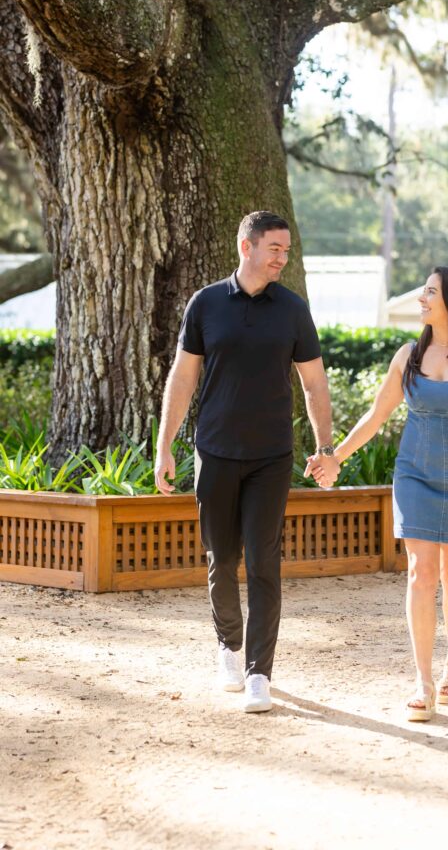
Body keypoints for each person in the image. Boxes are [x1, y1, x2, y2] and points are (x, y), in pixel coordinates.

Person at [155, 210, 339, 713]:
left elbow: (314, 383)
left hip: (271, 457)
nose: (282, 258)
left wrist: (325, 448)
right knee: (220, 561)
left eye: (286, 250)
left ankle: (260, 670)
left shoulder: (293, 309)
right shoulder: (206, 304)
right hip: (214, 452)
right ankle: (228, 648)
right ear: (247, 247)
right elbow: (183, 376)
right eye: (275, 248)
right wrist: (164, 444)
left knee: (263, 563)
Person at [307, 267, 448, 721]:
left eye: (430, 292)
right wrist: (334, 456)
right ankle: (422, 681)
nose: (421, 298)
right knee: (421, 570)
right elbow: (376, 416)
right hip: (414, 475)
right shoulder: (408, 355)